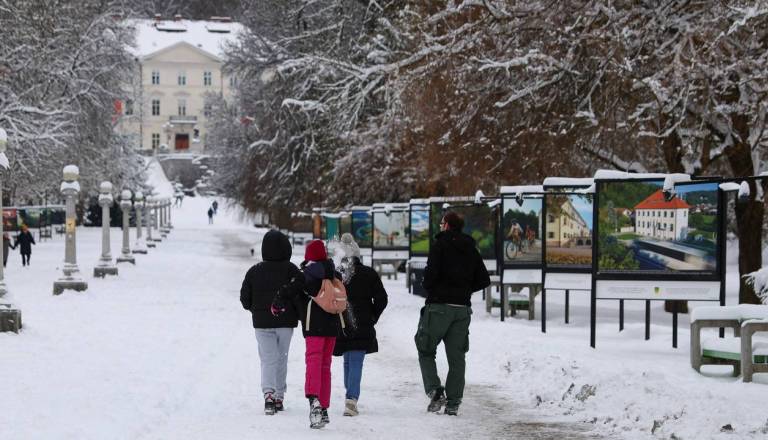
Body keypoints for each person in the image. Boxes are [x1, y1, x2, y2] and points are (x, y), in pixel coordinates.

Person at [416, 211, 490, 416]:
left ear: (447, 225)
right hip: (462, 310)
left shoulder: (439, 246)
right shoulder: (471, 249)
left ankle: (435, 391)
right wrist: (463, 290)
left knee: (425, 348)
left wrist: (433, 287)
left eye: (441, 223)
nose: (440, 226)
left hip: (438, 307)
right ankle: (454, 402)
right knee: (457, 357)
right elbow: (484, 279)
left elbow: (429, 278)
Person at [271, 239, 342, 429]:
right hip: (332, 326)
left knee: (313, 361)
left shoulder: (306, 275)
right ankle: (324, 408)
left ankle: (314, 402)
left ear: (309, 255)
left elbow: (288, 290)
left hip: (314, 327)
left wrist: (277, 303)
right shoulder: (334, 274)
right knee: (325, 366)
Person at [240, 230, 301, 415]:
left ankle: (269, 395)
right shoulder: (292, 270)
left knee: (268, 359)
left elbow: (245, 299)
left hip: (261, 323)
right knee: (281, 358)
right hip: (285, 322)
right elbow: (299, 294)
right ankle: (280, 397)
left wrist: (257, 311)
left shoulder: (254, 271)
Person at [332, 233, 388, 417]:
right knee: (354, 361)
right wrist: (372, 315)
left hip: (342, 322)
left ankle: (351, 395)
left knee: (348, 361)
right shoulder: (368, 273)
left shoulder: (337, 275)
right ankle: (351, 399)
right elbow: (382, 298)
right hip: (362, 323)